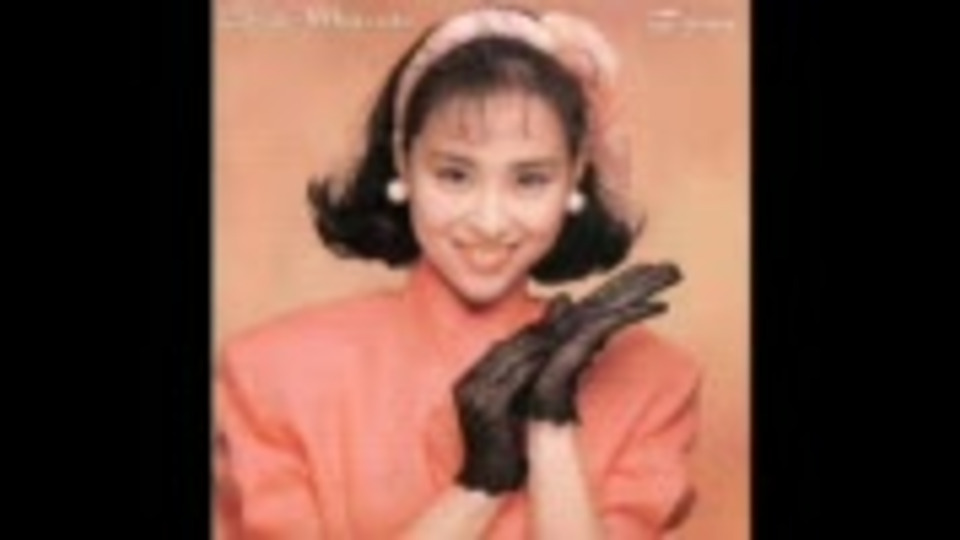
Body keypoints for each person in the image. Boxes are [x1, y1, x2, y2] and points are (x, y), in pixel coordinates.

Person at [214, 6, 701, 539]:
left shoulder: (654, 381)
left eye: (530, 180)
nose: (489, 221)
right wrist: (480, 485)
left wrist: (551, 429)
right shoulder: (272, 373)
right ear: (403, 162)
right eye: (454, 174)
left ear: (574, 177)